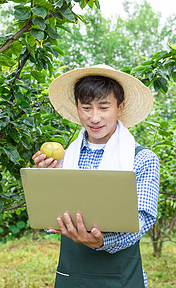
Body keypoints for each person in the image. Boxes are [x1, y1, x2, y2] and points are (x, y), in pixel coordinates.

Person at [32, 65, 160, 287]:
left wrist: (101, 241)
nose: (94, 117)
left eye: (103, 107)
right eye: (86, 107)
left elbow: (143, 219)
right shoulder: (64, 159)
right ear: (77, 108)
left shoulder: (141, 159)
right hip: (72, 277)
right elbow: (48, 221)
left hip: (121, 278)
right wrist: (47, 180)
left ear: (120, 107)